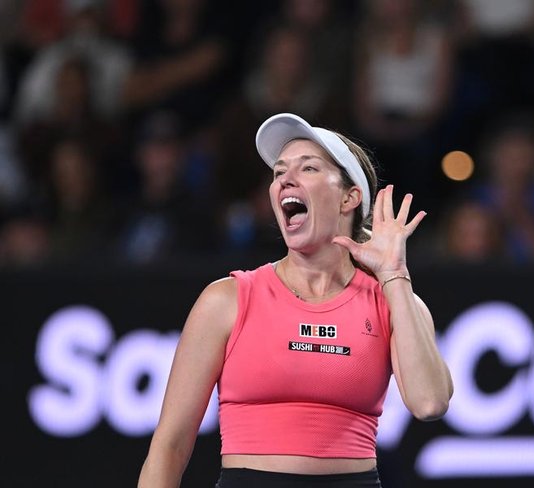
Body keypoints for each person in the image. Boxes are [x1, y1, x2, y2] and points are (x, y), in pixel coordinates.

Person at [138, 113, 453, 487]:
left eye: (309, 168)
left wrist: (394, 275)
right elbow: (170, 445)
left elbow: (430, 403)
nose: (286, 179)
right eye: (279, 172)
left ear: (349, 197)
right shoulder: (227, 300)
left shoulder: (392, 301)